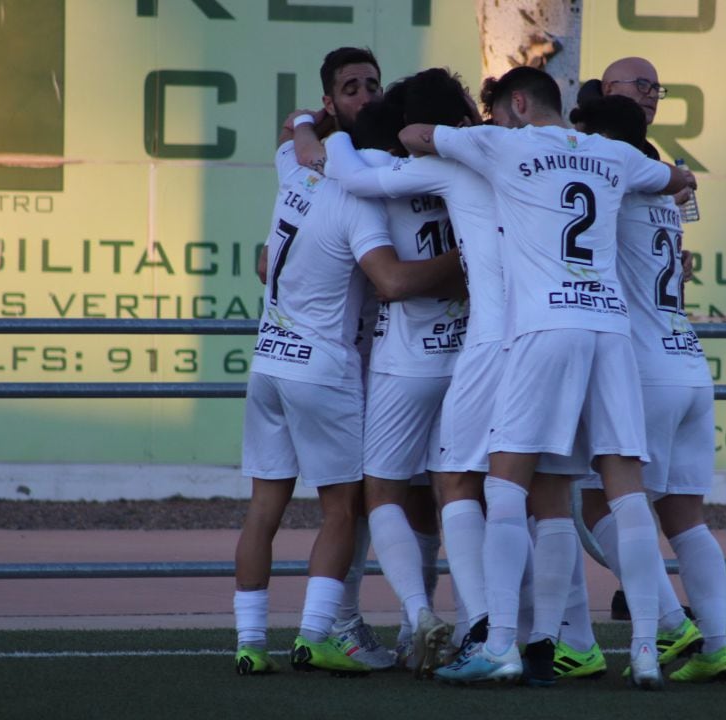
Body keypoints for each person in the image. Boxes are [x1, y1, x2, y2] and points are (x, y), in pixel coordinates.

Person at [399, 66, 695, 690]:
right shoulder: (611, 152)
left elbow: (416, 134)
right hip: (610, 329)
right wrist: (675, 185)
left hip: (545, 327)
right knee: (626, 489)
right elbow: (677, 177)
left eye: (501, 110)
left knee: (505, 486)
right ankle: (644, 649)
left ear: (518, 102)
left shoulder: (502, 142)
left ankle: (501, 643)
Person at [232, 49, 459, 678]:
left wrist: (307, 122)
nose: (366, 96)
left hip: (270, 359)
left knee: (264, 509)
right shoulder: (361, 191)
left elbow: (290, 143)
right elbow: (388, 279)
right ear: (334, 104)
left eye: (372, 86)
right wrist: (471, 267)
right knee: (348, 505)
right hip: (327, 366)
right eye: (351, 89)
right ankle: (323, 632)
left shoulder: (294, 163)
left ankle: (251, 642)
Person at [567, 93, 726, 683]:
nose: (577, 146)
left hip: (639, 370)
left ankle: (670, 624)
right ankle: (716, 645)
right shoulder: (668, 191)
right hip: (687, 362)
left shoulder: (612, 184)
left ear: (606, 140)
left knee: (598, 503)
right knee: (686, 518)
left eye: (585, 133)